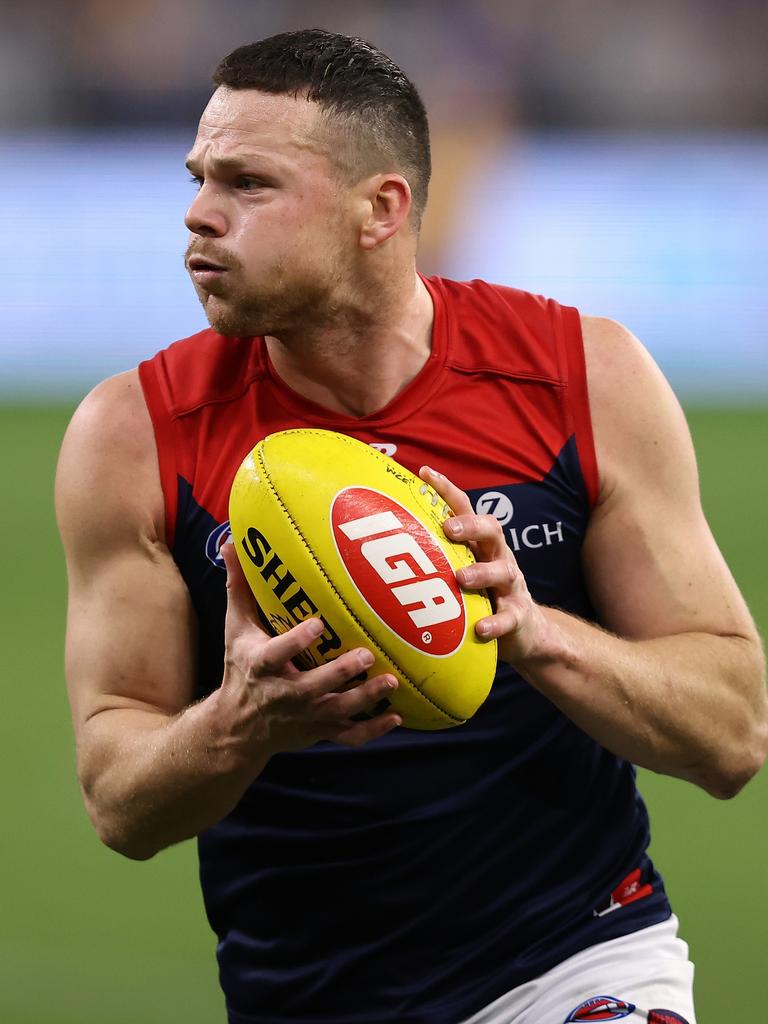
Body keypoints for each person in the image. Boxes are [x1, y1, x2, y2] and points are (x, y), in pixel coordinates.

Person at [56, 29, 767, 1024]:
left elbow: (734, 733)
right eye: (199, 177)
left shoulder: (582, 377)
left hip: (575, 960)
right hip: (301, 997)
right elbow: (118, 803)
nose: (197, 214)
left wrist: (532, 632)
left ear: (379, 210)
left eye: (248, 183)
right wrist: (238, 723)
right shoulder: (133, 436)